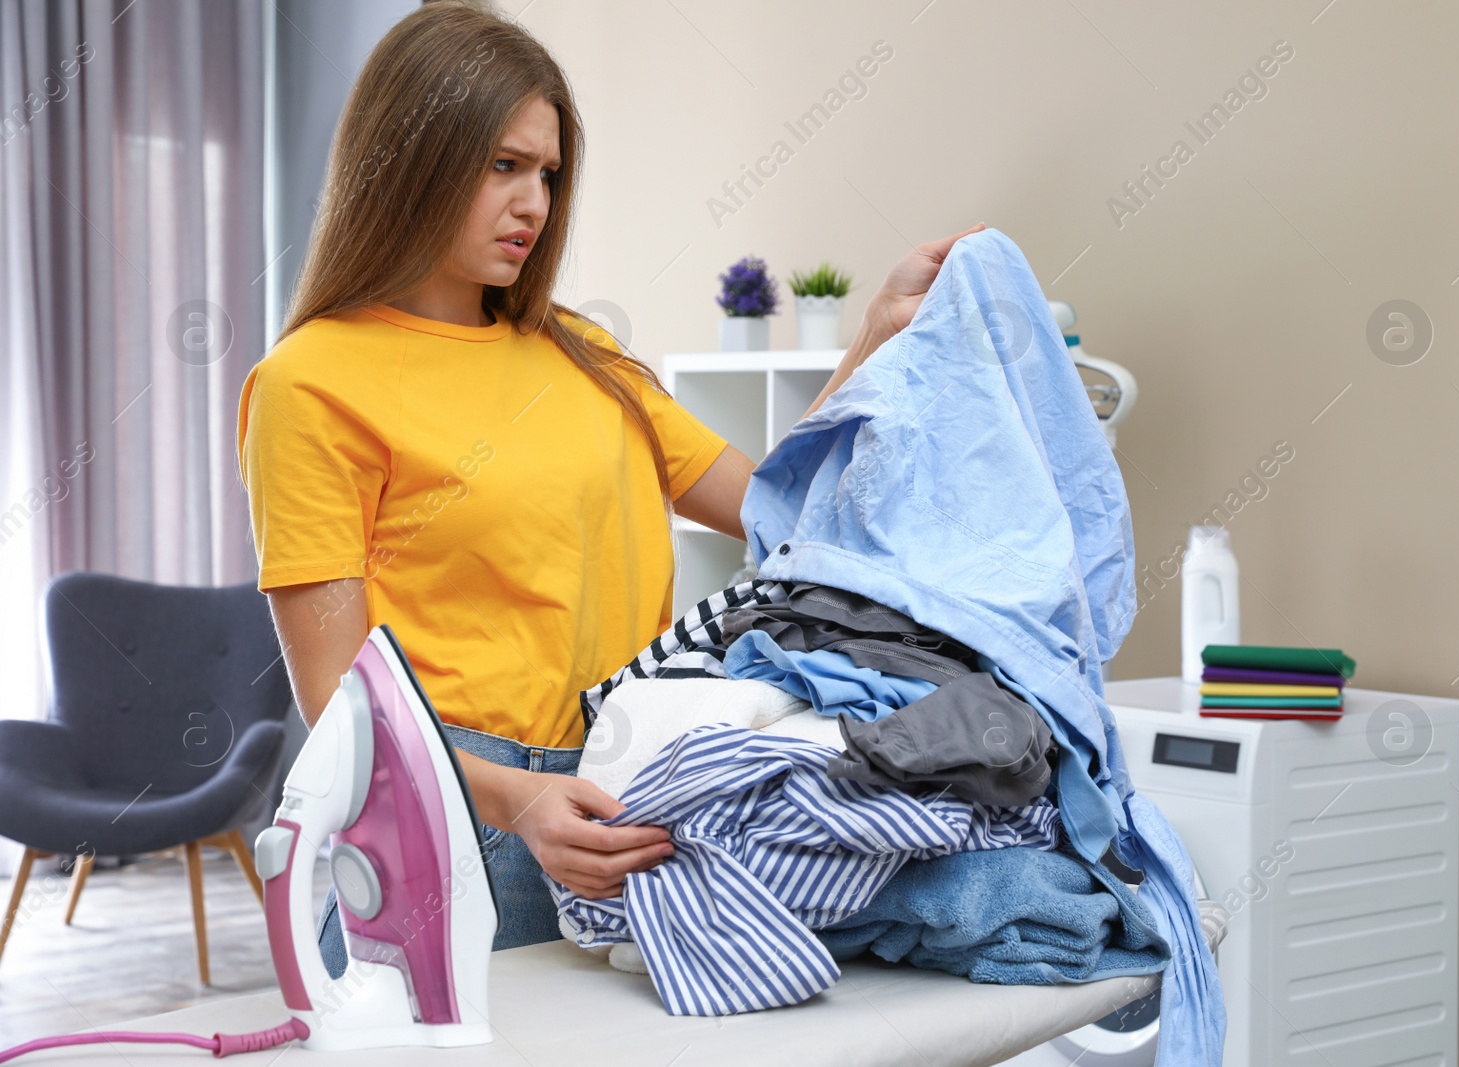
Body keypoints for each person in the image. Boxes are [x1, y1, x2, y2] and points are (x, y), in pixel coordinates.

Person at [235, 0, 984, 975]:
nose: (533, 204)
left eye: (546, 173)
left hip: (625, 784)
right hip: (447, 810)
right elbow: (339, 700)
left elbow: (777, 509)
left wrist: (875, 337)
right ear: (411, 155)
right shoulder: (312, 382)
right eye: (502, 165)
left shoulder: (582, 352)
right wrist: (517, 799)